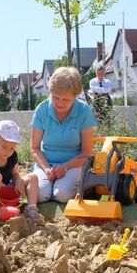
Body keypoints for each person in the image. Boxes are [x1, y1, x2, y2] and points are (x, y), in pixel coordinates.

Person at [31, 66, 96, 203]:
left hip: (73, 165)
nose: (59, 103)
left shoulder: (84, 111)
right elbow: (35, 148)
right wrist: (47, 168)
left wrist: (65, 167)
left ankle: (80, 185)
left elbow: (86, 153)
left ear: (75, 96)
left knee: (62, 195)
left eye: (65, 99)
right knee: (40, 195)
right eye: (56, 97)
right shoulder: (42, 110)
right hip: (46, 163)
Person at [0, 120, 44, 225]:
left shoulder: (12, 155)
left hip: (6, 189)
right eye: (4, 147)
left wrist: (18, 181)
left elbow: (15, 174)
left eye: (12, 148)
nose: (8, 151)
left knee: (32, 177)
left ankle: (31, 209)